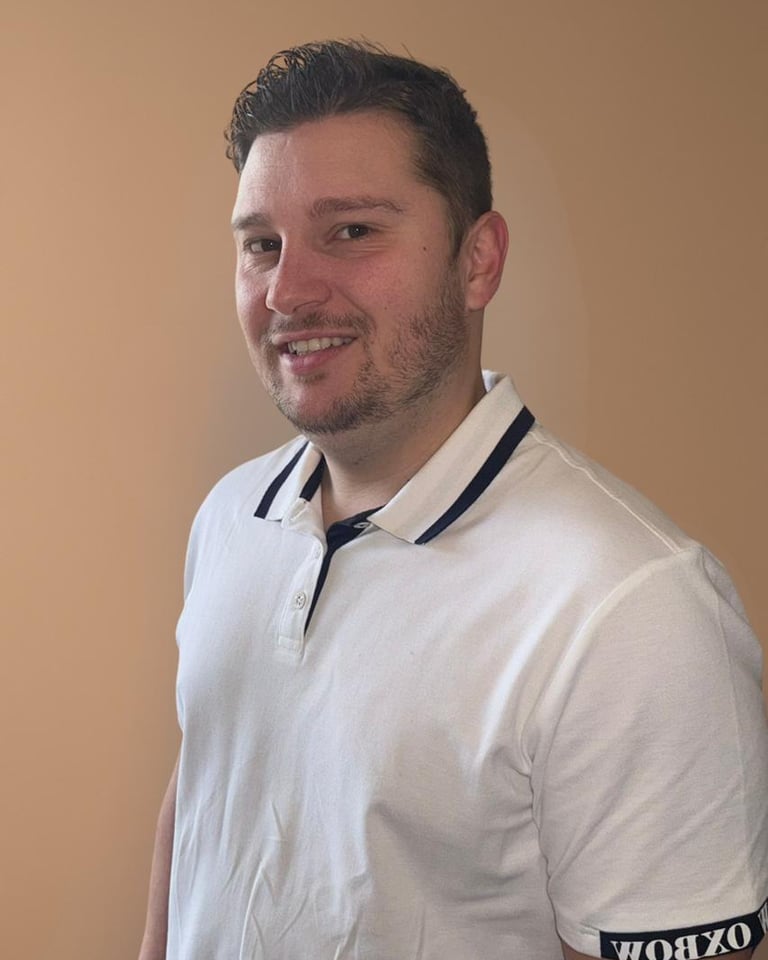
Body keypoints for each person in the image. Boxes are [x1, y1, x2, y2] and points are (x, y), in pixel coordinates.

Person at [139, 40, 768, 960]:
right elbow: (202, 794)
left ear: (479, 261)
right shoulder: (232, 516)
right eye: (261, 244)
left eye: (351, 231)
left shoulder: (632, 610)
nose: (287, 290)